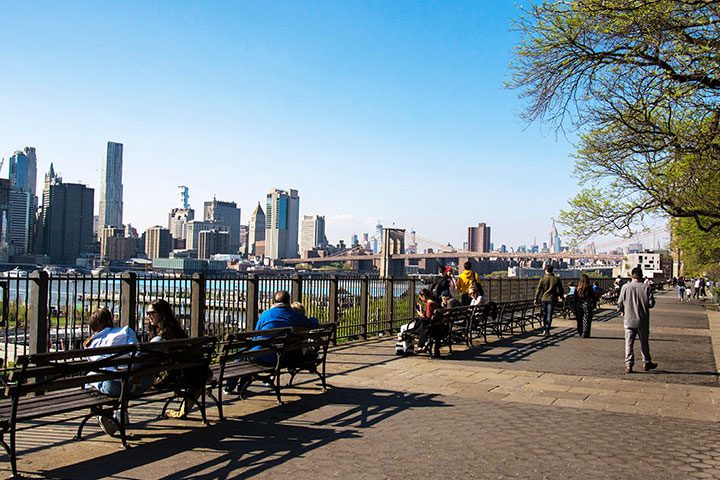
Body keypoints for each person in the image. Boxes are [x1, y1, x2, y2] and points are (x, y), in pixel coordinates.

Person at [225, 291, 319, 392]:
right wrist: (308, 318)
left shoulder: (265, 314)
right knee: (246, 355)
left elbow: (255, 337)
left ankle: (229, 387)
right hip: (281, 358)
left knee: (242, 354)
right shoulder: (294, 315)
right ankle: (241, 387)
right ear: (288, 301)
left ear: (274, 301)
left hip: (261, 357)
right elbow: (314, 323)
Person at [145, 299, 208, 419]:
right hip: (193, 373)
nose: (149, 316)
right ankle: (182, 410)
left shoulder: (162, 336)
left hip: (179, 377)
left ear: (162, 314)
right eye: (148, 314)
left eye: (152, 313)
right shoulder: (175, 330)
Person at [617, 267, 657, 373]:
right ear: (642, 277)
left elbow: (620, 302)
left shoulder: (625, 287)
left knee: (629, 343)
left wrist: (622, 311)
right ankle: (646, 362)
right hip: (642, 320)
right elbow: (651, 304)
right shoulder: (646, 287)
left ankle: (629, 364)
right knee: (644, 342)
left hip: (629, 320)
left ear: (631, 276)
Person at [396, 289, 439, 355]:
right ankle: (407, 348)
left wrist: (420, 314)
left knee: (403, 328)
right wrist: (422, 311)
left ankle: (406, 349)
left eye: (420, 298)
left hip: (426, 328)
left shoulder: (429, 305)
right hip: (435, 327)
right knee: (404, 329)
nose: (421, 299)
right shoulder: (435, 303)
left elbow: (427, 319)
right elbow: (430, 316)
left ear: (424, 297)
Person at [534, 265, 564, 337]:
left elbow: (538, 290)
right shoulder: (556, 279)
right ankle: (547, 330)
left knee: (544, 314)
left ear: (546, 270)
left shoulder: (542, 279)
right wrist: (561, 296)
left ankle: (545, 328)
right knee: (549, 314)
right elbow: (561, 289)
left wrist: (536, 298)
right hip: (552, 298)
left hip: (544, 299)